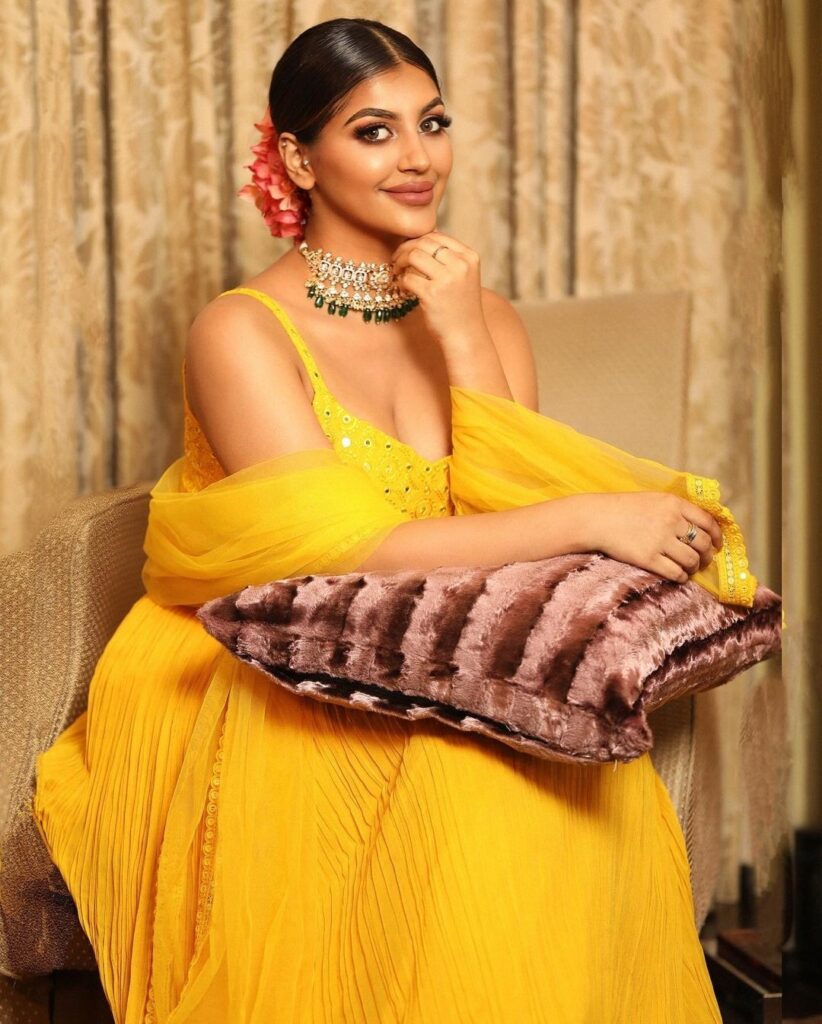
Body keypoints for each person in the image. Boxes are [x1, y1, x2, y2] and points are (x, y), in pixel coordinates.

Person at [32, 17, 749, 1023]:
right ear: (298, 160)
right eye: (374, 131)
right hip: (264, 652)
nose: (418, 157)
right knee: (460, 779)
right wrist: (593, 513)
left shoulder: (483, 314)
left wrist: (464, 332)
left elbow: (515, 518)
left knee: (551, 769)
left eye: (432, 122)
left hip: (454, 636)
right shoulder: (240, 330)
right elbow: (347, 552)